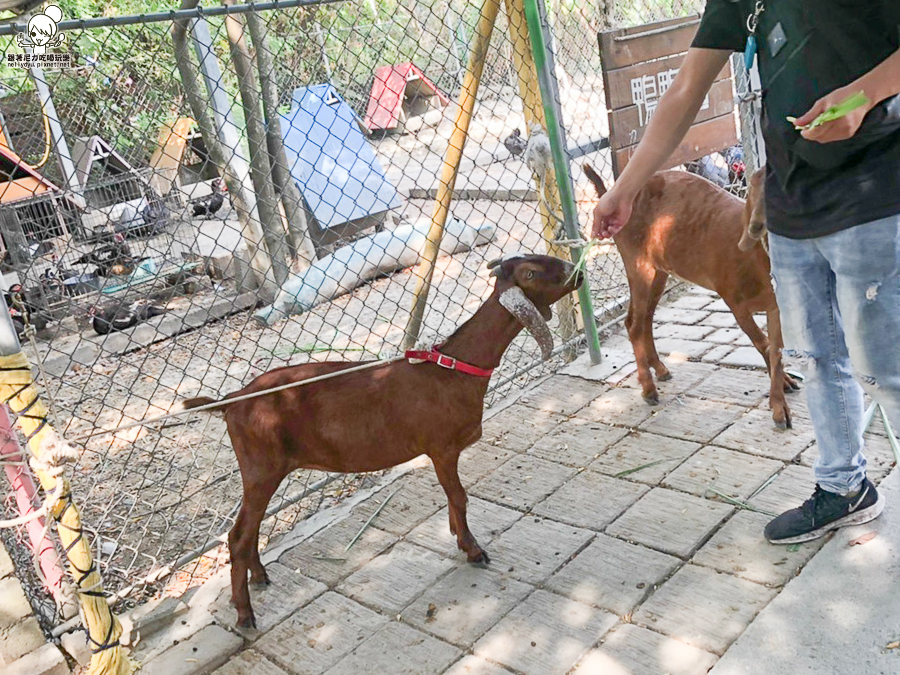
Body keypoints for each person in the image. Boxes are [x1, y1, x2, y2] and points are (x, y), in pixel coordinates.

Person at [592, 0, 900, 544]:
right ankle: (843, 488)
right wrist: (626, 188)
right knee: (815, 353)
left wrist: (863, 95)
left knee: (884, 367)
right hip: (790, 199)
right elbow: (686, 88)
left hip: (875, 191)